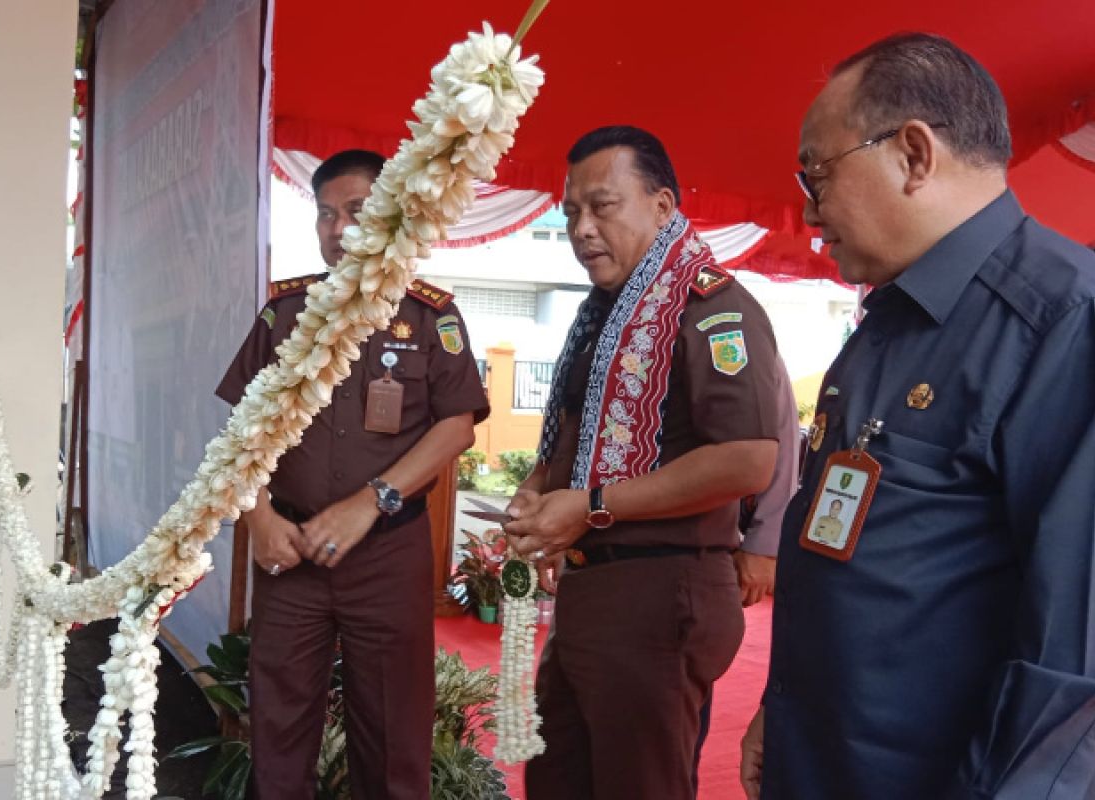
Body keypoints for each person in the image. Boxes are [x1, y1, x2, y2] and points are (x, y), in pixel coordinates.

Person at [741, 33, 1095, 800]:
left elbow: (1073, 664)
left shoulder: (1063, 324)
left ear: (913, 155)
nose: (810, 212)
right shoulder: (884, 325)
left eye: (818, 175)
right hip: (822, 756)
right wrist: (782, 703)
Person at [504, 125, 784, 800]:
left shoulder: (714, 308)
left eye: (602, 206)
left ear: (662, 208)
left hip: (659, 594)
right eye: (571, 212)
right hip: (592, 593)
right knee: (558, 781)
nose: (581, 229)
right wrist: (535, 492)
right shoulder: (604, 316)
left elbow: (749, 460)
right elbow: (572, 438)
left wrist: (594, 504)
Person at [216, 149, 489, 800]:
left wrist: (373, 501)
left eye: (358, 212)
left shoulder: (429, 316)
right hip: (291, 554)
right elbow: (238, 434)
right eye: (325, 214)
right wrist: (259, 518)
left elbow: (457, 424)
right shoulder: (285, 316)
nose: (338, 229)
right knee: (278, 738)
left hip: (388, 556)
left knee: (394, 740)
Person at [692, 360, 800, 795]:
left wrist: (764, 543)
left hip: (700, 551)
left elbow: (782, 435)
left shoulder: (722, 310)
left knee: (672, 720)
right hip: (609, 557)